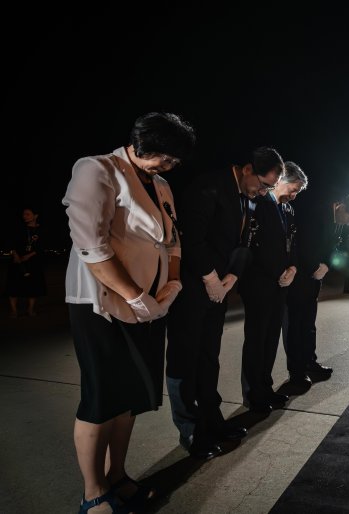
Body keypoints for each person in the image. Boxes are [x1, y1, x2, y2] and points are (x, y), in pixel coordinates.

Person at [62, 112, 196, 513]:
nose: (169, 167)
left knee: (131, 396)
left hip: (149, 307)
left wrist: (169, 287)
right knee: (102, 397)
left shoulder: (161, 185)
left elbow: (172, 240)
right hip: (101, 304)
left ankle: (117, 475)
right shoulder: (97, 169)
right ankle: (92, 492)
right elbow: (92, 245)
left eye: (174, 162)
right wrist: (135, 296)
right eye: (165, 158)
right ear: (141, 147)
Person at [166, 146, 284, 460]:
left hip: (218, 288)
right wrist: (210, 278)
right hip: (193, 287)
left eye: (269, 188)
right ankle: (191, 431)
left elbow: (244, 242)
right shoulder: (210, 185)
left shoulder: (248, 198)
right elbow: (192, 237)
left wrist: (232, 275)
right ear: (247, 168)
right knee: (185, 359)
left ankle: (212, 421)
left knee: (209, 358)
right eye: (263, 183)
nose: (264, 191)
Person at [239, 162, 308, 411]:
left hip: (281, 285)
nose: (294, 195)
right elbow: (251, 247)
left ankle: (265, 389)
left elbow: (293, 244)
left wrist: (293, 268)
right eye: (293, 188)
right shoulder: (258, 204)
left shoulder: (287, 210)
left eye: (298, 191)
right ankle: (253, 394)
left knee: (270, 341)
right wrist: (277, 272)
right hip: (258, 283)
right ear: (279, 180)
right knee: (256, 340)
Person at [284, 194, 349, 391]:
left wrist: (326, 266)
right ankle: (296, 372)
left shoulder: (338, 220)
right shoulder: (316, 212)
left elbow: (333, 247)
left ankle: (310, 363)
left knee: (309, 324)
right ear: (342, 207)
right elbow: (302, 244)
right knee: (295, 326)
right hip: (300, 277)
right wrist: (315, 266)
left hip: (315, 278)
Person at [5, 207, 47, 317]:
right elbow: (11, 242)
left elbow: (41, 247)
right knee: (13, 285)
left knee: (33, 286)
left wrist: (28, 256)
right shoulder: (19, 228)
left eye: (28, 214)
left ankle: (30, 309)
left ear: (35, 216)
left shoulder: (41, 230)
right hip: (17, 260)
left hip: (33, 262)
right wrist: (15, 255)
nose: (24, 216)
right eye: (24, 214)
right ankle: (14, 310)